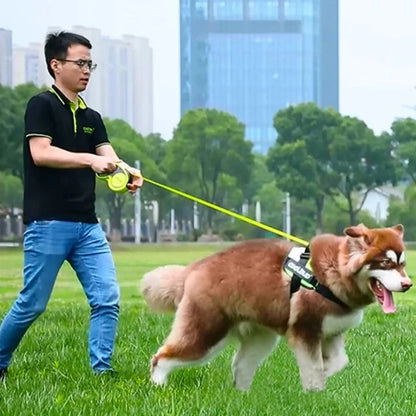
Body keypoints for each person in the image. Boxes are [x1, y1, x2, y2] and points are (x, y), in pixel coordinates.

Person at [0, 31, 143, 382]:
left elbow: (108, 155)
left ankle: (101, 372)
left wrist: (128, 171)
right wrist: (88, 161)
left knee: (107, 299)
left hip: (87, 226)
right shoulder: (41, 105)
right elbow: (41, 152)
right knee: (32, 304)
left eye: (90, 64)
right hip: (48, 223)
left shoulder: (92, 115)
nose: (87, 70)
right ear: (56, 64)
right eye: (80, 63)